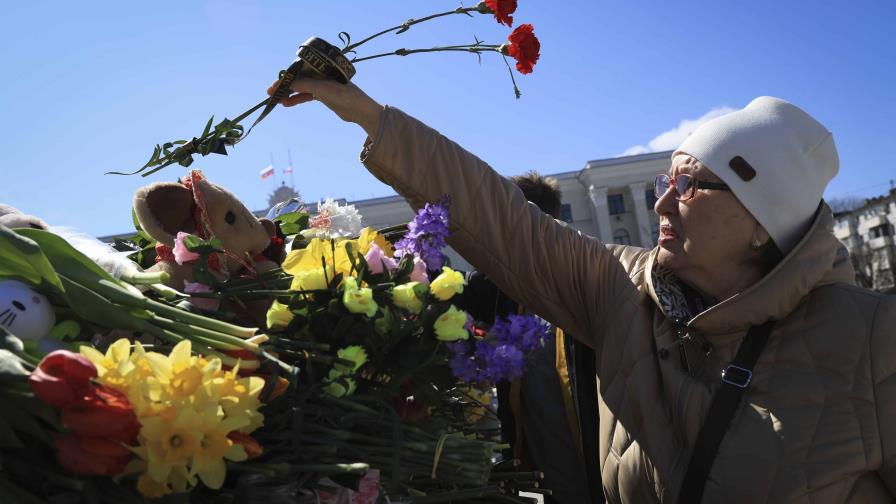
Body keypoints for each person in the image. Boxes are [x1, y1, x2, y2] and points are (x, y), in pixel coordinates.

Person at [269, 79, 896, 503]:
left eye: (693, 184)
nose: (663, 199)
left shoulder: (872, 338)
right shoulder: (623, 290)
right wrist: (370, 117)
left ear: (762, 222)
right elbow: (505, 224)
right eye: (665, 178)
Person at [456, 171, 603, 504]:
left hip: (600, 469)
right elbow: (447, 297)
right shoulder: (498, 286)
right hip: (538, 475)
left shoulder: (588, 278)